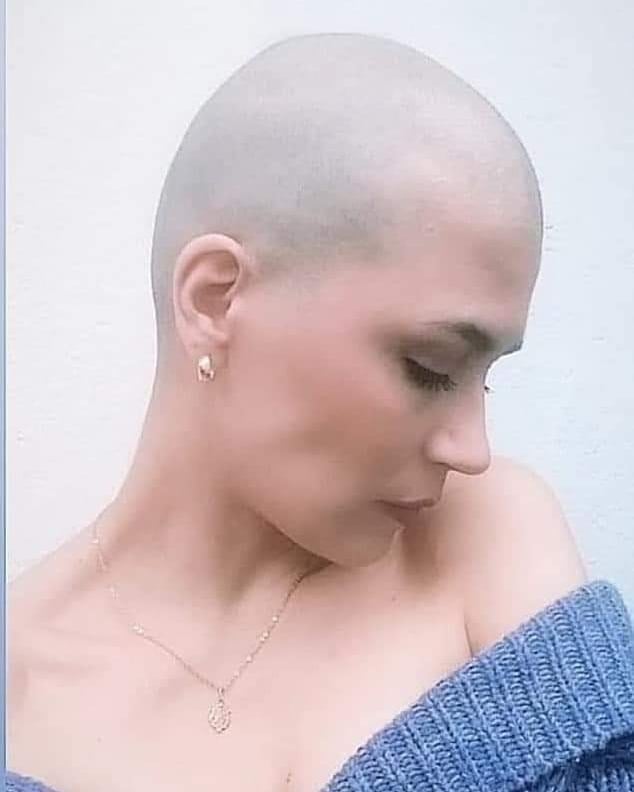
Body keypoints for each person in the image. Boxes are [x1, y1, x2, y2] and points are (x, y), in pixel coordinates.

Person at [6, 32, 634, 792]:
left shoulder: (484, 537)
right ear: (215, 301)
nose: (472, 449)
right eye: (431, 367)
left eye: (486, 379)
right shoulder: (22, 689)